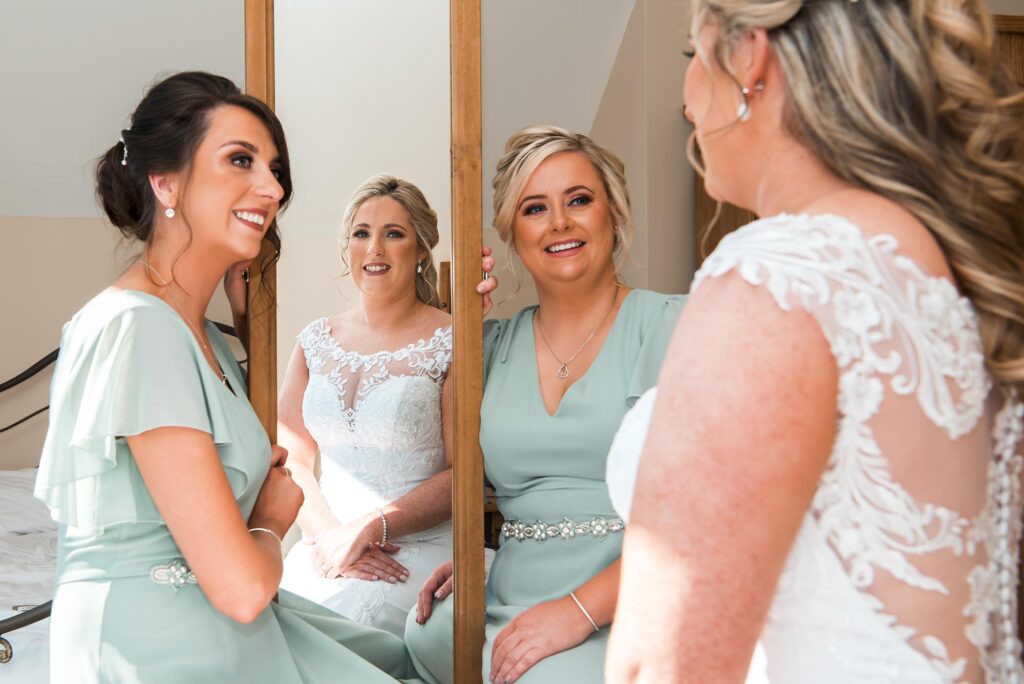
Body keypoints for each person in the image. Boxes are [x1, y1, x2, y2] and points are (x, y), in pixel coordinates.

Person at [604, 0, 1024, 681]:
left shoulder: (778, 278)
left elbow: (662, 667)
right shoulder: (948, 267)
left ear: (749, 56)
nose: (686, 98)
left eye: (692, 55)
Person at [33, 72, 418, 683]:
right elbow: (240, 587)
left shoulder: (201, 337)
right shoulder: (137, 330)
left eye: (275, 169)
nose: (272, 188)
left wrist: (248, 320)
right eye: (241, 160)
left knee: (403, 659)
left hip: (217, 619)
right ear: (165, 182)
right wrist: (272, 521)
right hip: (159, 643)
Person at [406, 126, 686, 684]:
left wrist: (577, 613)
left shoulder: (677, 326)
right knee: (425, 633)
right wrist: (477, 559)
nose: (559, 222)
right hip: (510, 595)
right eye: (535, 208)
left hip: (632, 599)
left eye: (578, 200)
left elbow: (704, 521)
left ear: (614, 213)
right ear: (513, 234)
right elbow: (461, 470)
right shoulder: (491, 346)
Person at [278, 175, 453, 638]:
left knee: (352, 634)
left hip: (415, 553)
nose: (374, 249)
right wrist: (330, 538)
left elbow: (464, 475)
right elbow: (290, 459)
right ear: (347, 247)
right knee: (266, 628)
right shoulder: (314, 341)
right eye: (361, 233)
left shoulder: (453, 341)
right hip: (325, 547)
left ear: (421, 250)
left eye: (393, 234)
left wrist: (369, 531)